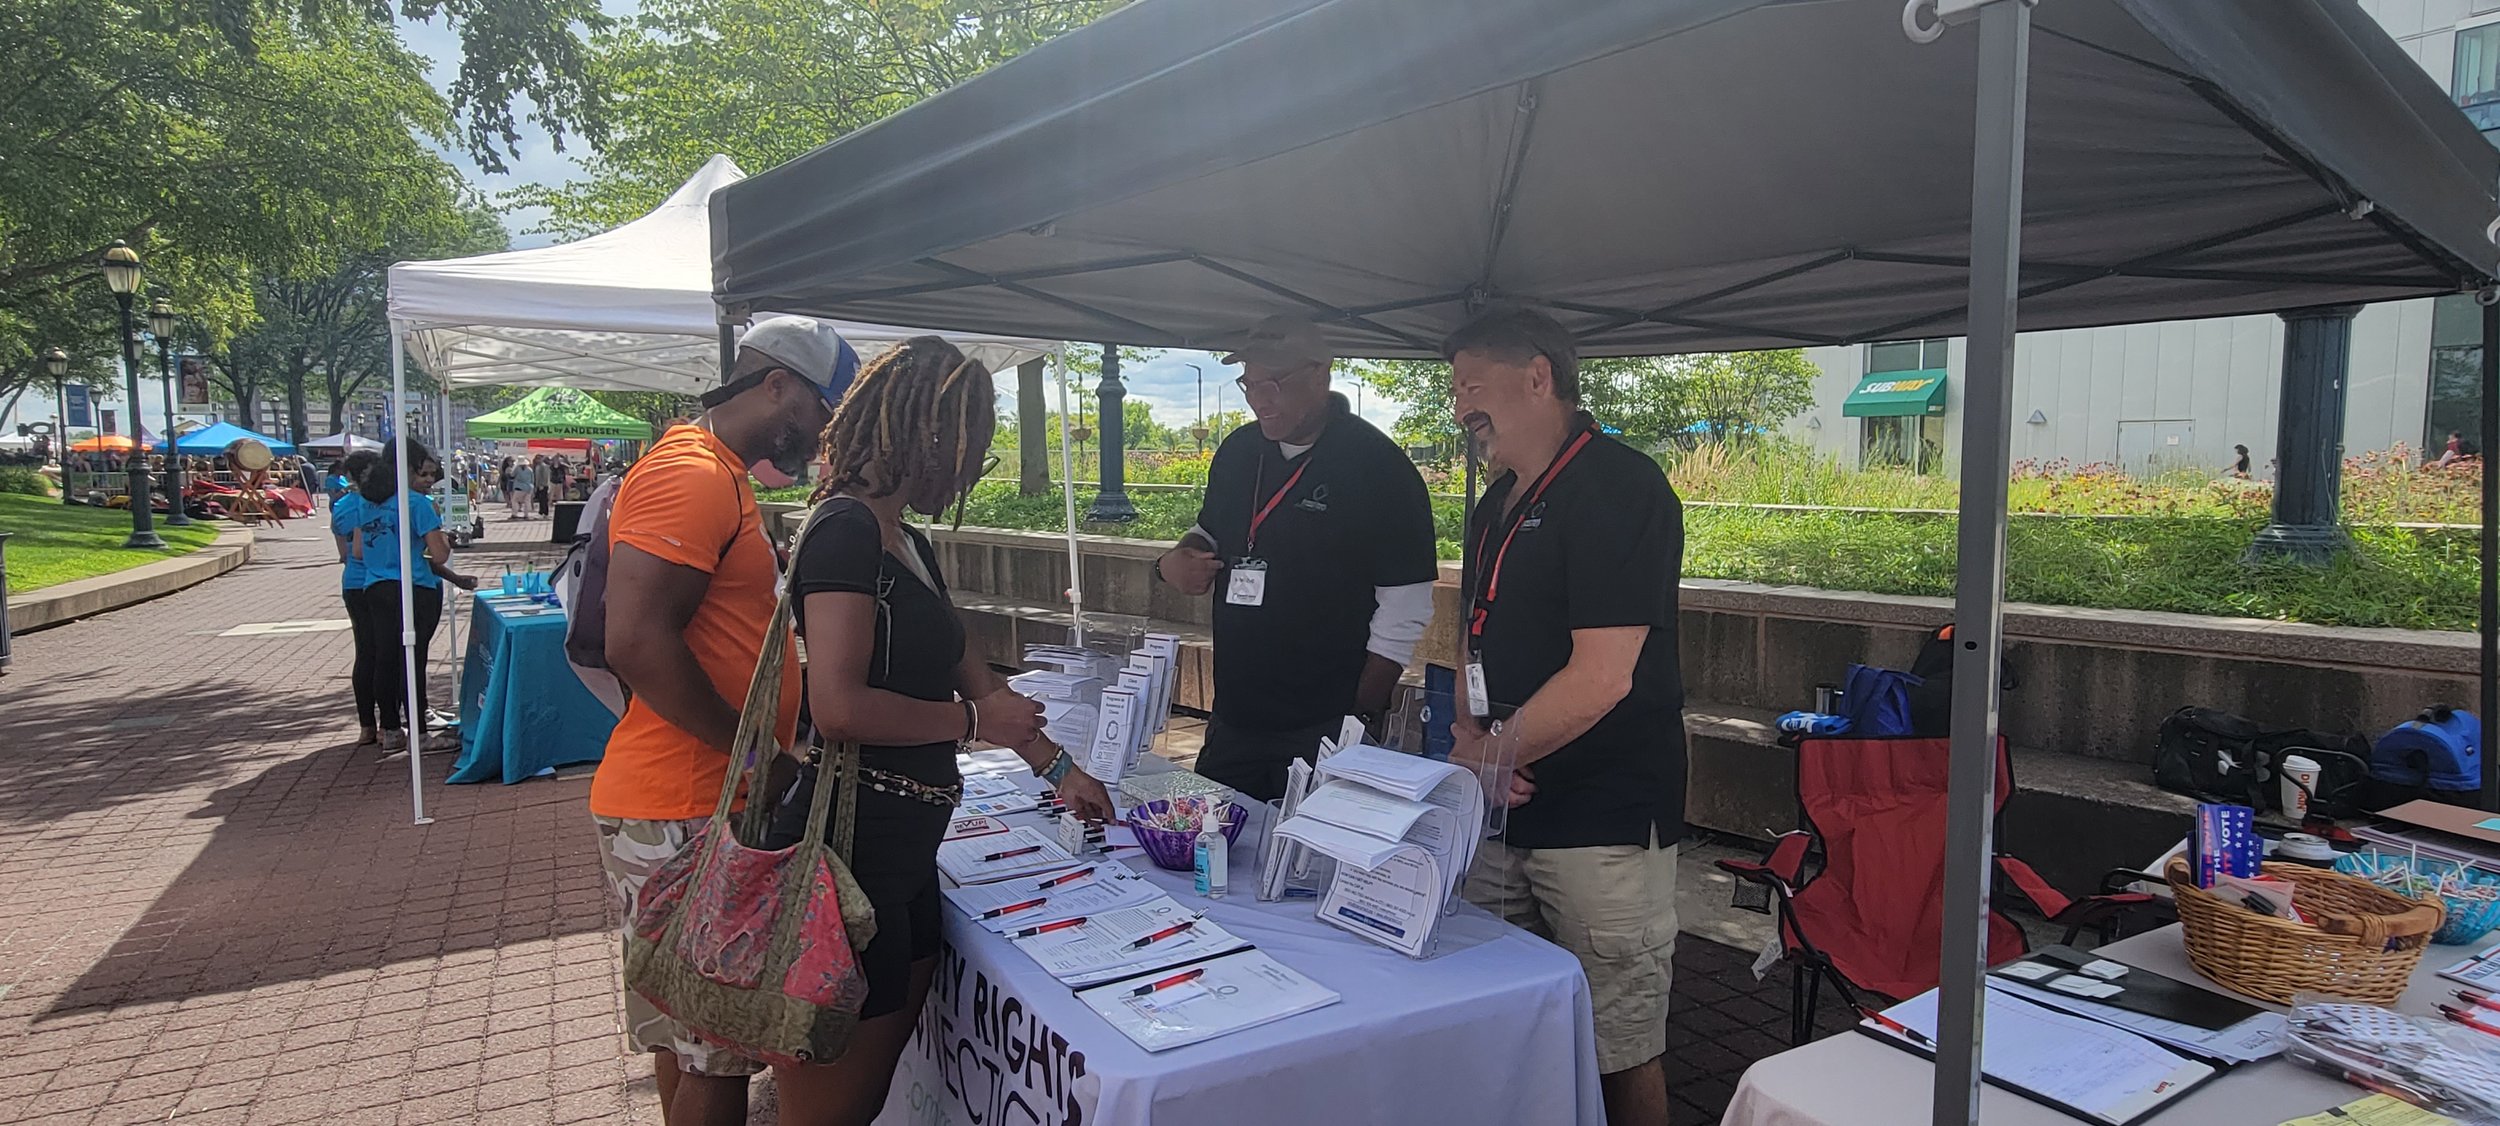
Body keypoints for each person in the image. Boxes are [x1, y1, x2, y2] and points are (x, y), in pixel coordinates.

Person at [761, 336, 1115, 1126]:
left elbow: (977, 677)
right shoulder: (844, 531)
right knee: (826, 1111)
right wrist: (970, 724)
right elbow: (840, 706)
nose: (965, 474)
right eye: (966, 452)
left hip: (904, 855)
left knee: (869, 1097)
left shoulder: (908, 543)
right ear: (922, 437)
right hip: (846, 856)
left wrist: (1060, 771)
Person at [590, 315, 859, 1125]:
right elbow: (635, 640)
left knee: (690, 1038)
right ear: (776, 384)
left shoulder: (720, 472)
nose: (821, 433)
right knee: (716, 1052)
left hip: (695, 797)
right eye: (822, 410)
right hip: (691, 799)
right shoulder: (694, 473)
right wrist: (759, 761)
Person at [1444, 305, 1685, 1126]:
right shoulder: (1496, 504)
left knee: (1620, 1045)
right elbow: (1470, 638)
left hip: (1602, 820)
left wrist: (1488, 756)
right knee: (1501, 1015)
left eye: (1472, 386)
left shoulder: (1620, 486)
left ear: (1539, 376)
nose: (1458, 408)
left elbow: (1602, 677)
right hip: (1503, 810)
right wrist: (1469, 737)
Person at [1153, 316, 1438, 801]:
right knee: (1212, 853)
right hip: (1235, 718)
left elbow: (1406, 604)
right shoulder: (1239, 451)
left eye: (1274, 384)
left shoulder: (1379, 466)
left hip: (1325, 723)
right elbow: (1208, 530)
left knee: (1311, 869)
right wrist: (1178, 559)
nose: (1259, 399)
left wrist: (1359, 713)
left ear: (1321, 374)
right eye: (1249, 383)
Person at [354, 439, 478, 753]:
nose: (428, 479)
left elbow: (357, 550)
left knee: (385, 658)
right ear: (410, 467)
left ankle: (391, 730)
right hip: (413, 588)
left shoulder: (367, 502)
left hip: (375, 585)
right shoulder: (416, 504)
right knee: (413, 660)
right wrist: (444, 539)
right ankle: (419, 733)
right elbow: (438, 554)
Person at [330, 450, 384, 745]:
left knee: (365, 652)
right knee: (387, 653)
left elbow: (342, 549)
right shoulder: (377, 503)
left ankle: (367, 725)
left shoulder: (341, 506)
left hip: (352, 581)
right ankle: (390, 720)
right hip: (379, 580)